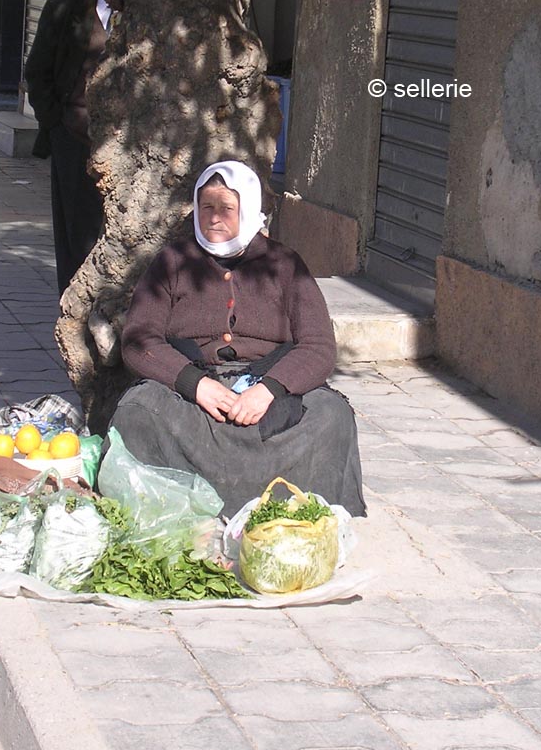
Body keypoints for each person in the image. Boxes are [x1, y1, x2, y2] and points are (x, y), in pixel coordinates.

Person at [115, 161, 367, 518]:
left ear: (248, 211)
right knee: (137, 409)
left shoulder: (284, 265)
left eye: (227, 209)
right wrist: (195, 384)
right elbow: (139, 340)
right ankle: (171, 511)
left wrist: (269, 390)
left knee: (331, 414)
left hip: (267, 387)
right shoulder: (173, 262)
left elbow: (318, 347)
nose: (215, 218)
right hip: (195, 386)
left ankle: (295, 513)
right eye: (207, 208)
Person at [24, 0, 125, 295]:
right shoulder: (63, 9)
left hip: (127, 141)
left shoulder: (145, 13)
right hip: (73, 134)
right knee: (74, 228)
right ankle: (74, 300)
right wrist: (54, 123)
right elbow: (37, 71)